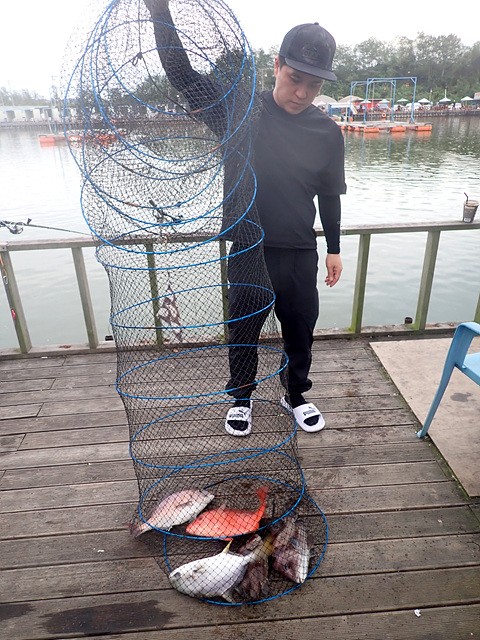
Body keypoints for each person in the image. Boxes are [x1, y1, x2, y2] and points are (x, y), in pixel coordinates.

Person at [143, 0, 346, 436]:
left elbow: (330, 195)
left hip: (300, 249)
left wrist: (334, 249)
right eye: (295, 79)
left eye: (313, 85)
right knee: (243, 327)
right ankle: (241, 397)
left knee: (300, 329)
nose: (302, 93)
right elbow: (182, 76)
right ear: (277, 66)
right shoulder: (238, 111)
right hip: (249, 246)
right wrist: (158, 9)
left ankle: (295, 394)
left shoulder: (327, 132)